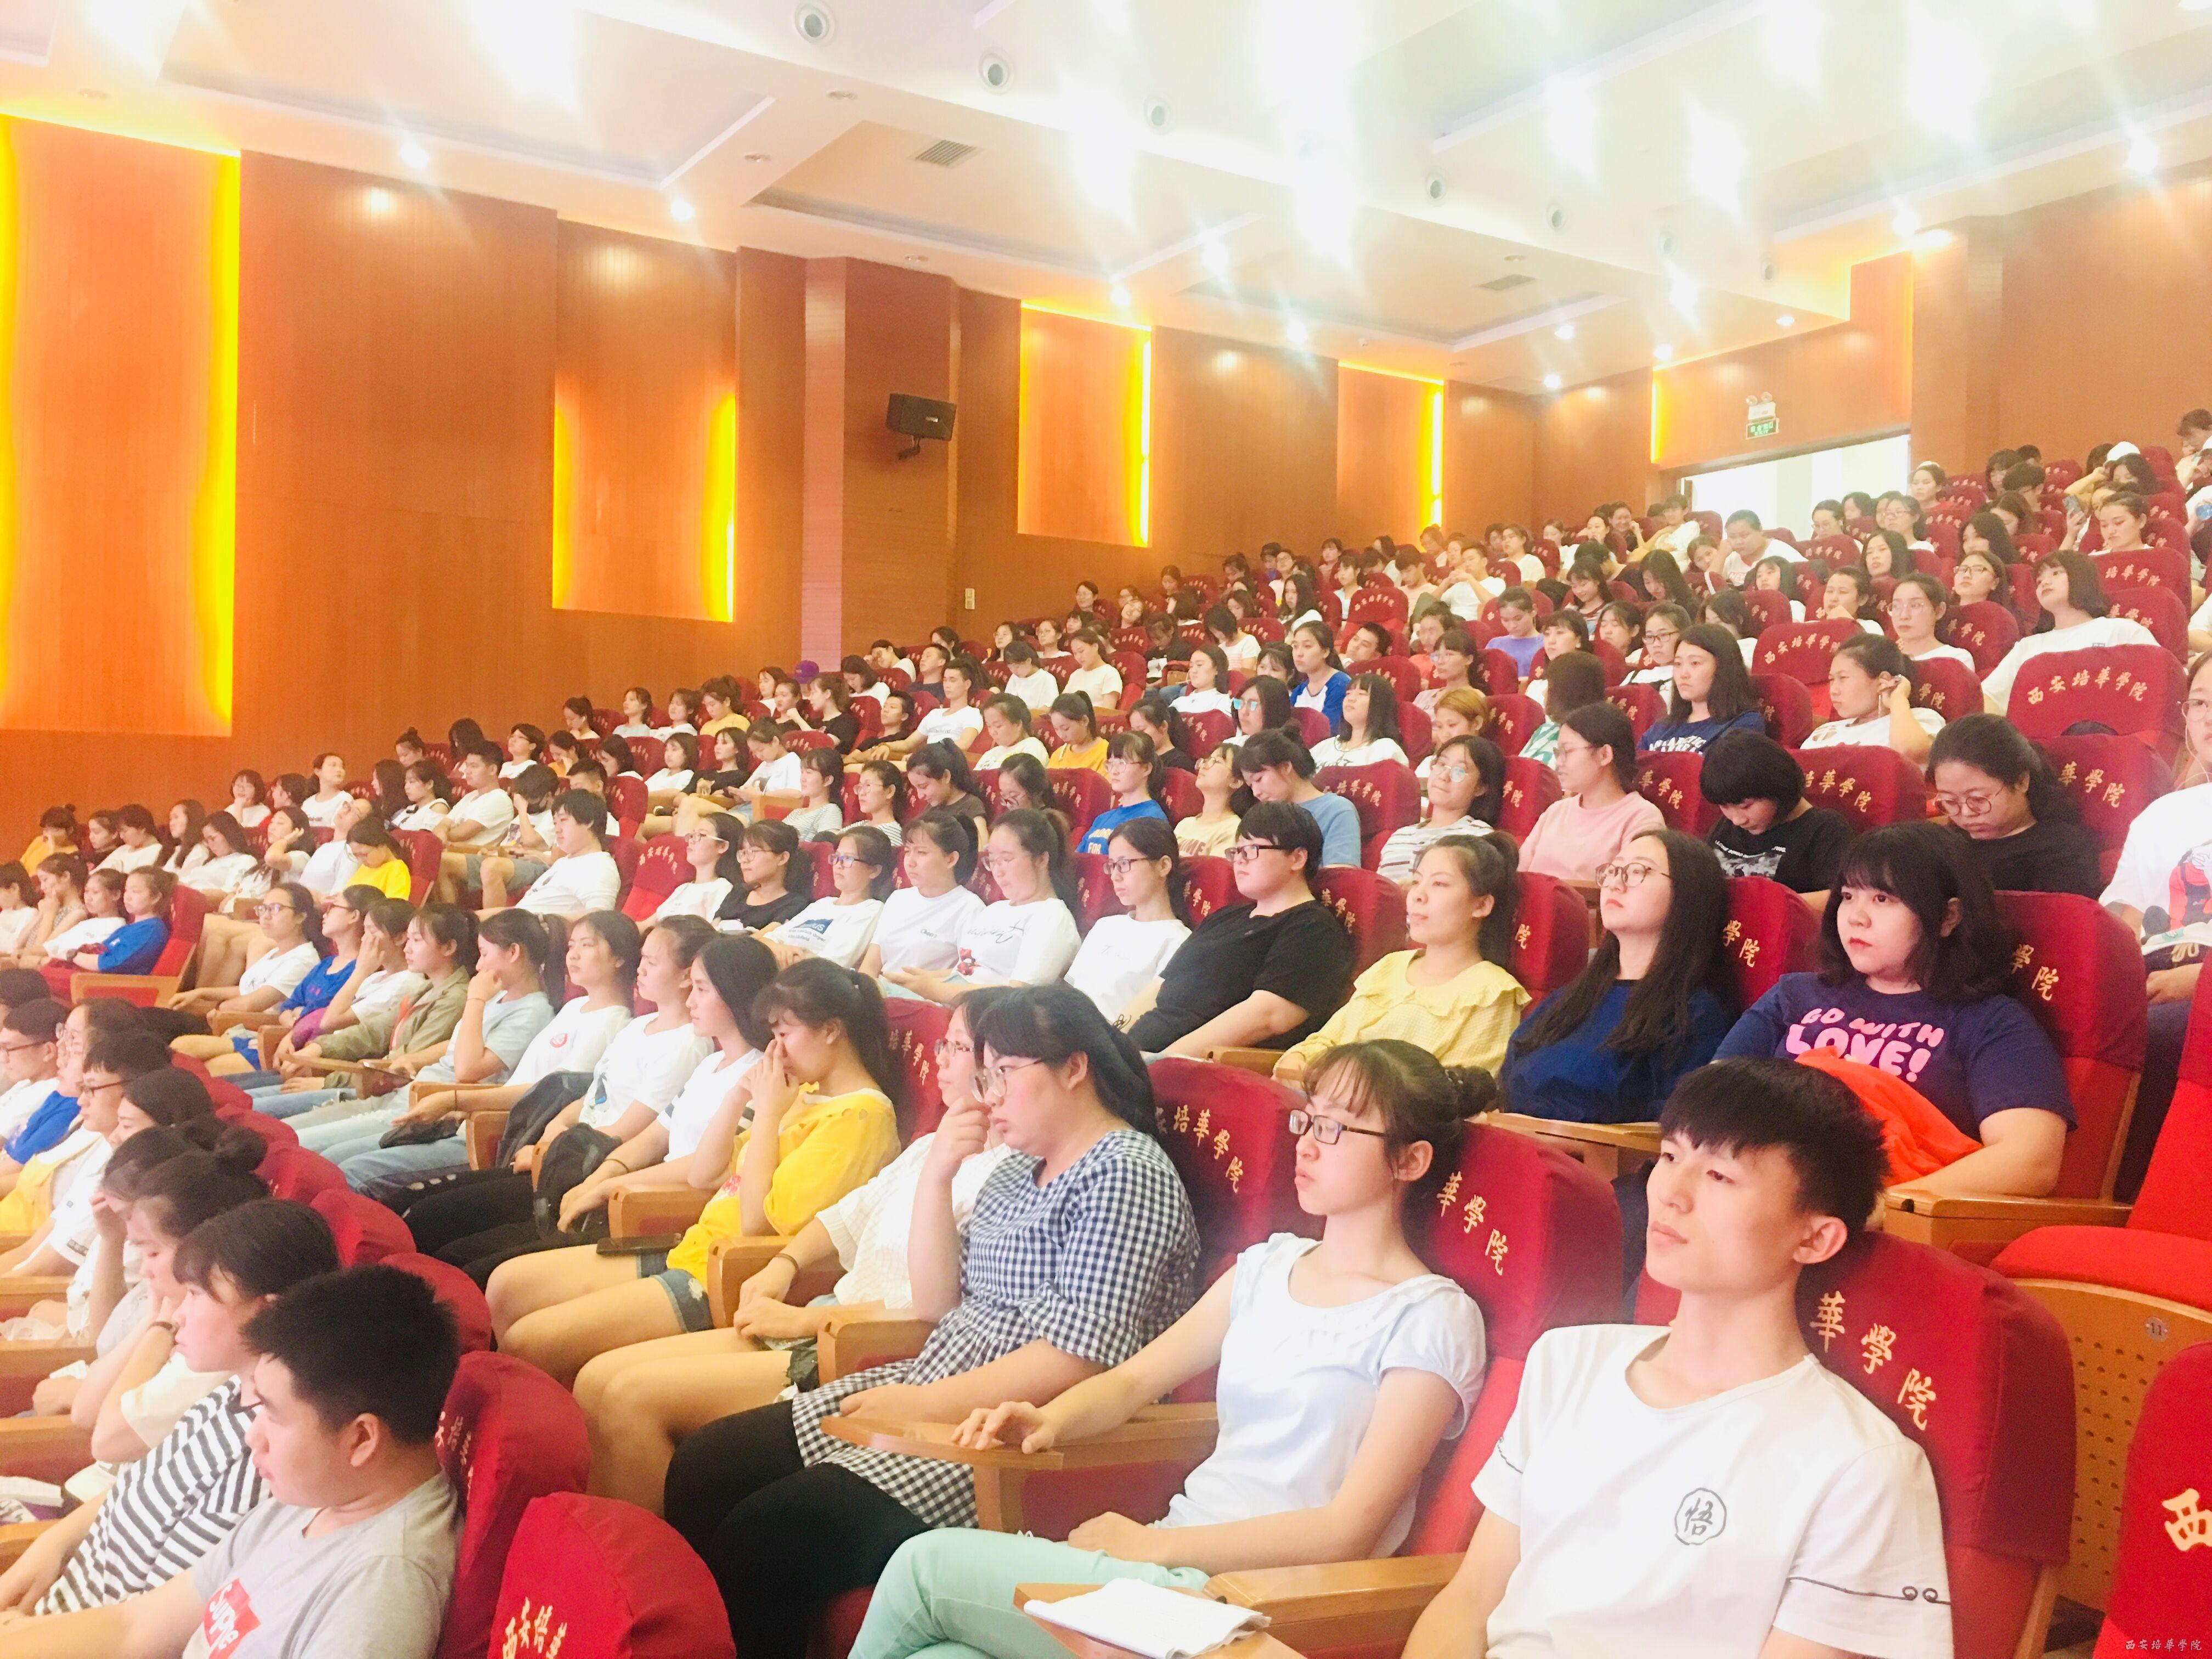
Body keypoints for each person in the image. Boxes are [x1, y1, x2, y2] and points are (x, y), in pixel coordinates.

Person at [853, 1037, 1491, 1659]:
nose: (1306, 1145)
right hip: (1173, 1561)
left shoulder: (1429, 1316)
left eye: (1336, 1130)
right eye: (1308, 1120)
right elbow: (1131, 1382)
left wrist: (1151, 1549)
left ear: (1410, 1161)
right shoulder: (1268, 1267)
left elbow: (1346, 1530)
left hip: (1250, 1602)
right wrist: (1049, 1419)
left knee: (923, 1567)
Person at [663, 985, 1201, 1659]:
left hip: (1004, 1435)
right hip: (935, 1380)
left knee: (762, 1538)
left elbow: (1077, 1360)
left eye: (1004, 1073)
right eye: (985, 1075)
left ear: (1074, 1068)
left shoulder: (1125, 1174)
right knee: (705, 1467)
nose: (989, 1095)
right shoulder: (1020, 1171)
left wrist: (920, 1407)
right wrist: (939, 1174)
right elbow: (936, 1302)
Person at [1403, 1058, 1949, 1659]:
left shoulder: (1859, 1466)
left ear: (1815, 1238)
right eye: (1670, 1155)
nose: (1670, 1193)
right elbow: (1471, 1598)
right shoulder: (1567, 1362)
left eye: (1719, 1175)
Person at [3, 1263, 464, 1659]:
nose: (252, 1436)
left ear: (361, 1439)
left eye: (274, 1415)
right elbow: (134, 1625)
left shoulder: (381, 1590)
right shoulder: (316, 1497)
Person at [495, 958, 901, 1387]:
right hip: (694, 1246)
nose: (776, 1051)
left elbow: (755, 1224)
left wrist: (767, 1114)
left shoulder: (861, 1117)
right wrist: (738, 1097)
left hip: (726, 1274)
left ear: (831, 1031)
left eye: (784, 1035)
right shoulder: (805, 1092)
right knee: (507, 1287)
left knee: (530, 1341)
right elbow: (706, 1174)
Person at [0, 1200, 342, 1622]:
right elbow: (136, 1489)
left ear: (266, 1311)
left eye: (196, 1295)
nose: (178, 1314)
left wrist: (23, 1636)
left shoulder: (264, 1457)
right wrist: (52, 1546)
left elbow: (142, 1624)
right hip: (55, 1603)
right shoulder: (230, 1391)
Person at [1717, 822, 2071, 1197]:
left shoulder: (1991, 1022)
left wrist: (1879, 1209)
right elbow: (1710, 1102)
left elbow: (2030, 1162)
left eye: (1883, 899)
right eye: (1848, 896)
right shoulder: (1794, 995)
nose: (1856, 917)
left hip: (1881, 1207)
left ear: (1948, 917)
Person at [1500, 830, 1734, 1122]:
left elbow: (1674, 1121)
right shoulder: (1574, 995)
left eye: (1637, 872)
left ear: (1688, 893)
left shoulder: (1695, 1013)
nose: (1615, 883)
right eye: (1613, 870)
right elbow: (1512, 1071)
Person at [298, 905, 553, 1164]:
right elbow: (456, 1044)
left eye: (485, 954)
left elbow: (468, 1070)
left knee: (323, 1157)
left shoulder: (532, 1011)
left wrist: (475, 1000)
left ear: (513, 953)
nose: (479, 965)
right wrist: (416, 1060)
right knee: (296, 1141)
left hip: (434, 1111)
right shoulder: (497, 997)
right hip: (408, 1092)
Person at [1277, 835, 1527, 1086]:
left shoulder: (1493, 993)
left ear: (1482, 905)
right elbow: (1325, 1041)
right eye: (1417, 881)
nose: (1418, 895)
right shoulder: (1391, 966)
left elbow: (1458, 1092)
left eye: (1439, 884)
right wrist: (1298, 1059)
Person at [1122, 802, 1353, 1056]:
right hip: (1137, 1049)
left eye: (1252, 850)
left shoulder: (1312, 929)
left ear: (1298, 858)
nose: (1239, 861)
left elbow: (1267, 1016)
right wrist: (1113, 1042)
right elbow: (1159, 986)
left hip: (1189, 1064)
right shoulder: (1224, 917)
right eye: (1237, 851)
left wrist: (1158, 1062)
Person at [884, 811, 1081, 1002]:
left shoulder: (1052, 918)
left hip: (981, 1012)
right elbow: (966, 972)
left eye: (1006, 859)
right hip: (949, 1001)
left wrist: (932, 990)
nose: (997, 872)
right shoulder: (995, 910)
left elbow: (1018, 995)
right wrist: (922, 979)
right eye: (992, 860)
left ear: (1042, 860)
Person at [1927, 715, 2102, 899]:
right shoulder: (1946, 845)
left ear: (2021, 782)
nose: (1966, 813)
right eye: (1950, 802)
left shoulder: (2063, 849)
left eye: (1978, 799)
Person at [1983, 551, 2159, 712]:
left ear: (2081, 579)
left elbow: (2158, 679)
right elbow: (1988, 695)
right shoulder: (2028, 646)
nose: (2045, 582)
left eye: (2056, 573)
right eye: (2039, 581)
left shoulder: (2123, 631)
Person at [1517, 704, 1666, 883]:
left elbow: (1633, 890)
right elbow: (1519, 876)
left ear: (1604, 755)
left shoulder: (1641, 818)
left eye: (1568, 751)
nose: (1559, 762)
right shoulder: (1555, 811)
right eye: (1558, 753)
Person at [1065, 820, 1191, 1023]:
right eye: (1112, 866)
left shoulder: (1178, 942)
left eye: (1124, 865)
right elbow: (1071, 991)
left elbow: (1153, 1021)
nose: (1115, 876)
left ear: (1163, 866)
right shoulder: (1105, 926)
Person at [1700, 734, 1853, 900]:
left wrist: (1765, 905)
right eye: (1724, 807)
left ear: (1777, 788)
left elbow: (1843, 897)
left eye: (1746, 806)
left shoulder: (1825, 830)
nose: (1737, 820)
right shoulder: (1726, 826)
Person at [858, 811, 986, 980]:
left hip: (925, 994)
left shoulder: (970, 908)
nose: (910, 862)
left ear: (951, 859)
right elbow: (870, 965)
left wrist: (917, 981)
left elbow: (970, 969)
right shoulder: (898, 899)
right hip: (880, 990)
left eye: (921, 853)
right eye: (908, 851)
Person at [760, 827, 896, 970]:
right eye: (836, 857)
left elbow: (831, 964)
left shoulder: (871, 910)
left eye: (848, 859)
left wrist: (782, 953)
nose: (838, 865)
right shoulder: (822, 904)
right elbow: (767, 940)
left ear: (874, 870)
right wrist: (781, 950)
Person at [1375, 735, 1503, 885]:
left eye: (1459, 771)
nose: (1444, 776)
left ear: (1480, 788)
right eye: (1442, 764)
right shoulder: (1400, 836)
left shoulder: (1479, 837)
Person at [1803, 635, 1944, 763]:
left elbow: (1909, 752)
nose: (1833, 690)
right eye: (1832, 679)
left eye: (1843, 678)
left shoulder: (1920, 719)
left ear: (1884, 681)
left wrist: (1898, 698)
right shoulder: (1825, 731)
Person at [1233, 730, 1362, 868]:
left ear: (1286, 767)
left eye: (1259, 779)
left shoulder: (1337, 811)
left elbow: (1341, 873)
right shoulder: (1263, 817)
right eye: (1251, 785)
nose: (1256, 792)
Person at [1639, 624, 1765, 754]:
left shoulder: (1744, 725)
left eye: (1695, 663)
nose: (1683, 674)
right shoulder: (1660, 728)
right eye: (1678, 664)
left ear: (1723, 668)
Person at [1077, 733, 1170, 855]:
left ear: (1146, 769)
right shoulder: (1102, 819)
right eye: (1111, 764)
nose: (1114, 771)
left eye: (1122, 764)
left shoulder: (1151, 819)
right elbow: (1078, 860)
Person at [715, 820, 812, 933]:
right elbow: (713, 928)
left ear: (782, 858)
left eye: (753, 852)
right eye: (743, 853)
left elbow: (762, 939)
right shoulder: (739, 892)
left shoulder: (794, 904)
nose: (744, 860)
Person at [1520, 651, 1606, 768]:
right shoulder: (1546, 729)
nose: (1544, 693)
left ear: (1567, 693)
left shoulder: (1588, 745)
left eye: (1550, 687)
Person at [1310, 674, 1409, 770]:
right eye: (1348, 694)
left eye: (1361, 694)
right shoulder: (1326, 746)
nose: (1351, 699)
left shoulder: (1386, 749)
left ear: (1379, 704)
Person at [1886, 573, 1978, 673]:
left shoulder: (1956, 659)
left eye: (1915, 605)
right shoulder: (1883, 657)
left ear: (1939, 611)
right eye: (1896, 606)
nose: (1904, 616)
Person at [1175, 744, 1242, 859]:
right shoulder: (1184, 824)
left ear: (1236, 781)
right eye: (1207, 760)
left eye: (1217, 761)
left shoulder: (1232, 829)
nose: (1204, 766)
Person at [1288, 621, 1350, 727]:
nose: (1299, 653)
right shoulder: (1299, 691)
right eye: (1295, 646)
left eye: (1307, 646)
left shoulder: (1340, 684)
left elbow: (1328, 729)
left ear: (1325, 652)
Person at [974, 695, 1047, 772]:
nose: (992, 732)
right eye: (989, 726)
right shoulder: (991, 753)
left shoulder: (1032, 746)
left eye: (998, 726)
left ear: (1018, 724)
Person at [1046, 692, 1109, 775]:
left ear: (1085, 721)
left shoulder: (1104, 753)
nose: (1061, 736)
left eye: (1066, 729)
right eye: (1056, 729)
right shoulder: (1058, 755)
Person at [1063, 630, 1123, 710]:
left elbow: (1108, 711)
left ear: (1095, 647)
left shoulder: (1110, 673)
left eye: (1081, 651)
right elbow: (1062, 704)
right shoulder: (1075, 675)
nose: (1078, 657)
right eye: (1075, 653)